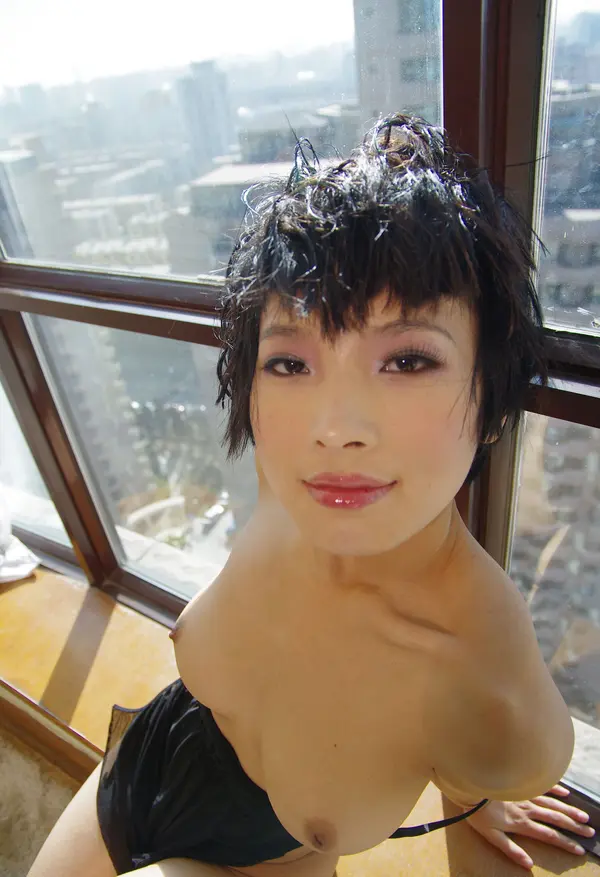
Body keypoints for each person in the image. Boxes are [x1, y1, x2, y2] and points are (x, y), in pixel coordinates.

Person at [28, 114, 596, 877]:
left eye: (407, 360)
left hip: (265, 858)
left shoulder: (484, 662)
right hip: (153, 753)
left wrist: (476, 794)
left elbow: (477, 734)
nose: (333, 428)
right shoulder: (289, 490)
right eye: (290, 364)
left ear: (492, 399)